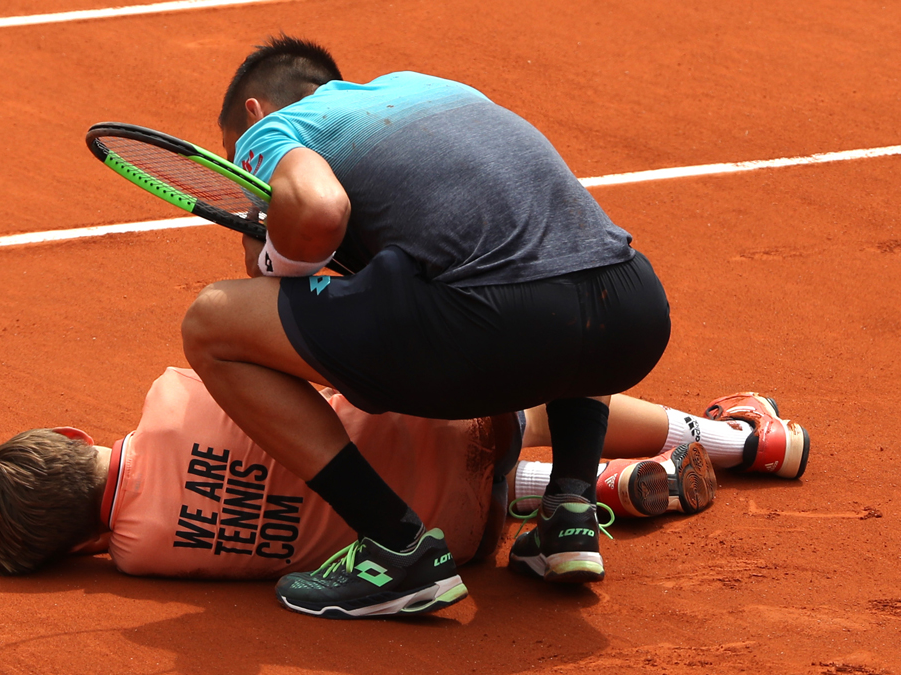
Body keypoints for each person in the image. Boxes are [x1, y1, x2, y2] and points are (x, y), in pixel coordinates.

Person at [180, 35, 672, 616]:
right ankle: (570, 508)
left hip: (496, 327)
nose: (245, 175)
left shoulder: (273, 129)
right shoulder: (433, 87)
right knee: (552, 259)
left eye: (234, 153)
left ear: (254, 112)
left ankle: (395, 546)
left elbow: (315, 212)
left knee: (211, 323)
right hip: (632, 313)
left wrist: (267, 246)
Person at [0, 367, 809, 612]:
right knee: (544, 392)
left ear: (75, 545)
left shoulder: (143, 559)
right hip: (455, 422)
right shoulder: (168, 396)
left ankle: (606, 490)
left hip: (456, 540)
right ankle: (746, 438)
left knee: (375, 493)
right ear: (72, 437)